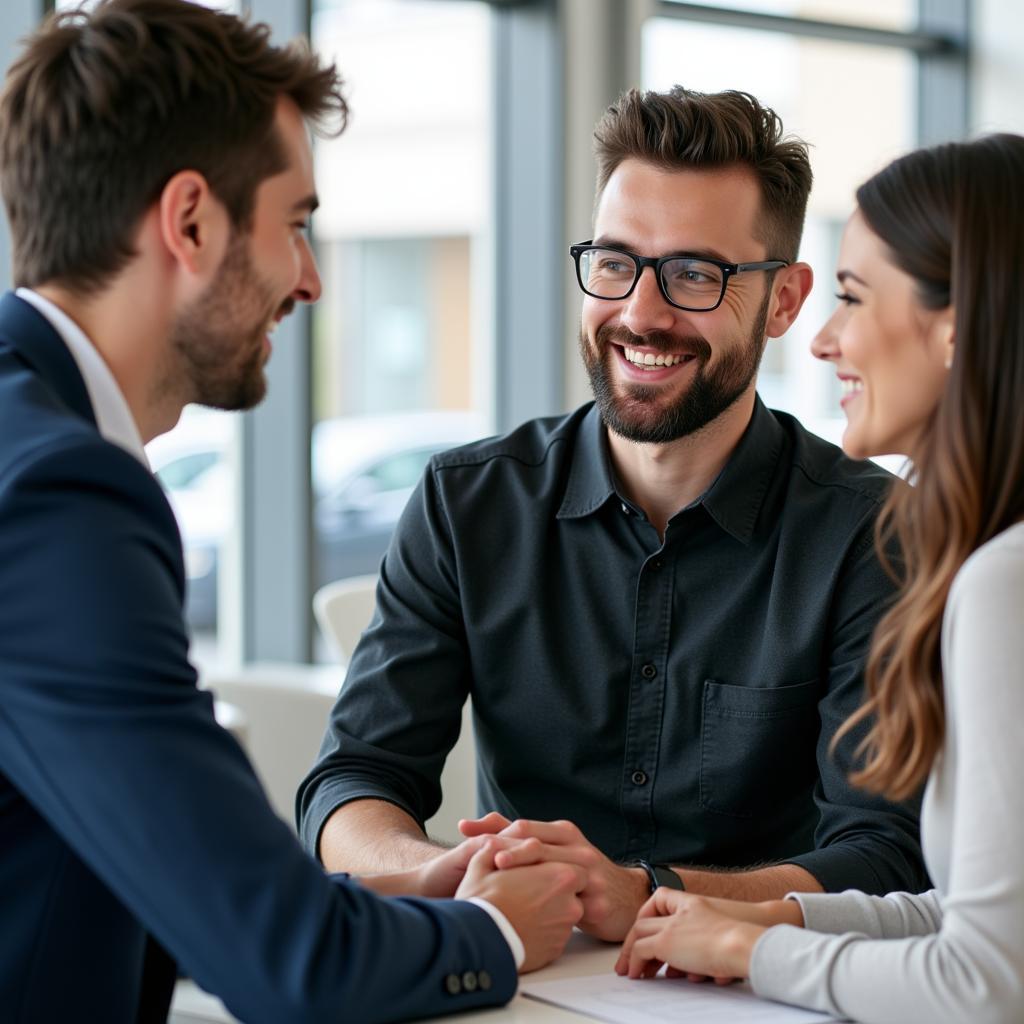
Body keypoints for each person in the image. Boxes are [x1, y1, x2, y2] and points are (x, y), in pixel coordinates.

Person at [0, 2, 588, 1022]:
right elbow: (286, 964)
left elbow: (155, 872)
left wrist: (379, 897)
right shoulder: (60, 498)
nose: (310, 280)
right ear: (190, 221)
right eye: (297, 225)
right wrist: (495, 928)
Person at [298, 86, 929, 943]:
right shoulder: (466, 503)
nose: (640, 312)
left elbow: (885, 853)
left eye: (695, 275)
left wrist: (647, 893)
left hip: (767, 989)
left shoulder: (876, 534)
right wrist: (430, 874)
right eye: (614, 262)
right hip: (522, 982)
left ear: (783, 301)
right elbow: (354, 778)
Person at [616, 133, 1024, 1023]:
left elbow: (988, 981)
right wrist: (764, 915)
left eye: (850, 298)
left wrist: (747, 949)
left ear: (957, 327)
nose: (826, 341)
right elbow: (974, 919)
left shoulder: (1005, 582)